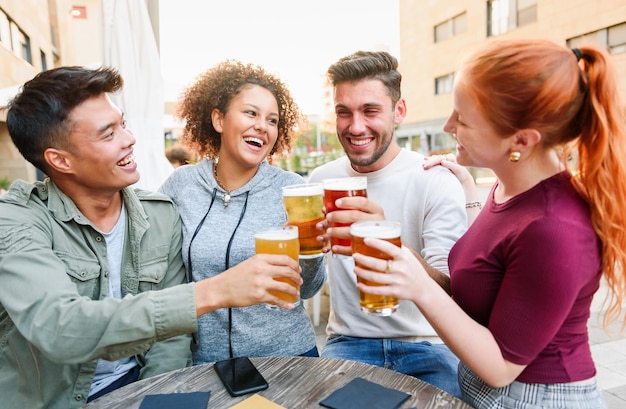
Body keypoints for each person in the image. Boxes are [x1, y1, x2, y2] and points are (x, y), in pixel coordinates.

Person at [0, 66, 304, 409]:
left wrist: (152, 397)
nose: (129, 139)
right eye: (108, 134)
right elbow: (60, 328)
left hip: (144, 386)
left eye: (123, 124)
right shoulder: (16, 219)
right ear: (60, 160)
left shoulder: (159, 213)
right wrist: (216, 291)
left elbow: (170, 340)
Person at [352, 39, 626, 408]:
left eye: (463, 119)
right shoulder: (507, 187)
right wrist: (407, 260)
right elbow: (482, 293)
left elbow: (501, 366)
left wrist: (420, 289)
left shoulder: (553, 227)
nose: (449, 125)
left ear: (521, 141)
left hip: (535, 399)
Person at [307, 50, 466, 398]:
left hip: (428, 345)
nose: (355, 126)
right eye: (343, 112)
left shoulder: (433, 179)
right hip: (349, 343)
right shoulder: (320, 181)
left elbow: (453, 289)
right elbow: (307, 278)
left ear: (399, 112)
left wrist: (388, 240)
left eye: (370, 111)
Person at [159, 60, 326, 364]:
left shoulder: (292, 189)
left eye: (272, 120)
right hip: (206, 364)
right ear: (219, 120)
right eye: (251, 113)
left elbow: (309, 289)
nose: (263, 126)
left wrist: (310, 251)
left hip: (289, 357)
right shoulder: (180, 186)